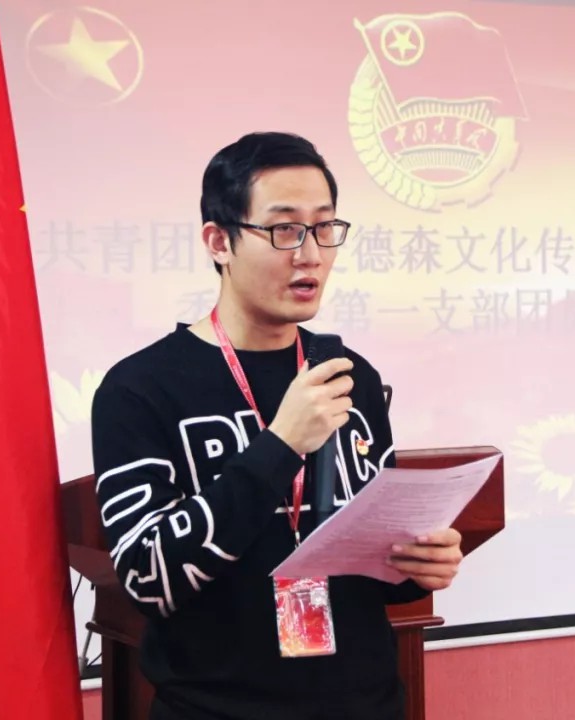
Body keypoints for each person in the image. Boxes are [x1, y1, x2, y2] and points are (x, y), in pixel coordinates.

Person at [91, 131, 464, 720]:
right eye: (284, 229)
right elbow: (148, 579)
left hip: (367, 706)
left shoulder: (349, 375)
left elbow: (367, 556)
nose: (310, 254)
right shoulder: (139, 389)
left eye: (324, 227)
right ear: (220, 241)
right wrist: (281, 444)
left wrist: (417, 567)